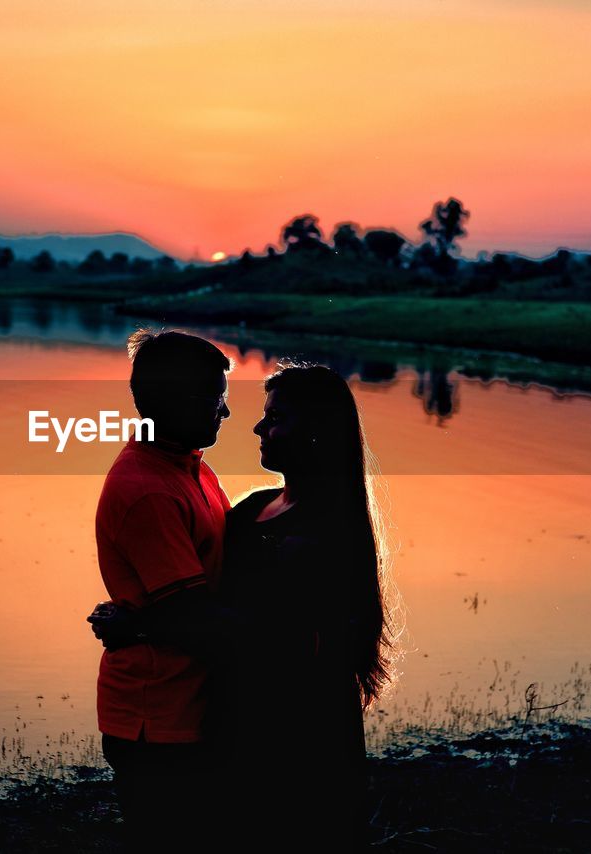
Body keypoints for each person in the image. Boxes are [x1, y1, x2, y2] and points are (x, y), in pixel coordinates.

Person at [93, 362, 393, 849]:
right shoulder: (255, 507)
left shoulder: (320, 531)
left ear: (315, 432)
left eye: (275, 418)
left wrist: (142, 626)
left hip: (294, 729)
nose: (256, 426)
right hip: (238, 716)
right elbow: (205, 597)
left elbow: (266, 637)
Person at [91, 328, 232, 853]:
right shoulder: (148, 489)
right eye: (217, 398)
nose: (226, 412)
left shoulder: (189, 466)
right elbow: (195, 620)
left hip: (188, 704)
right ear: (177, 401)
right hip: (157, 718)